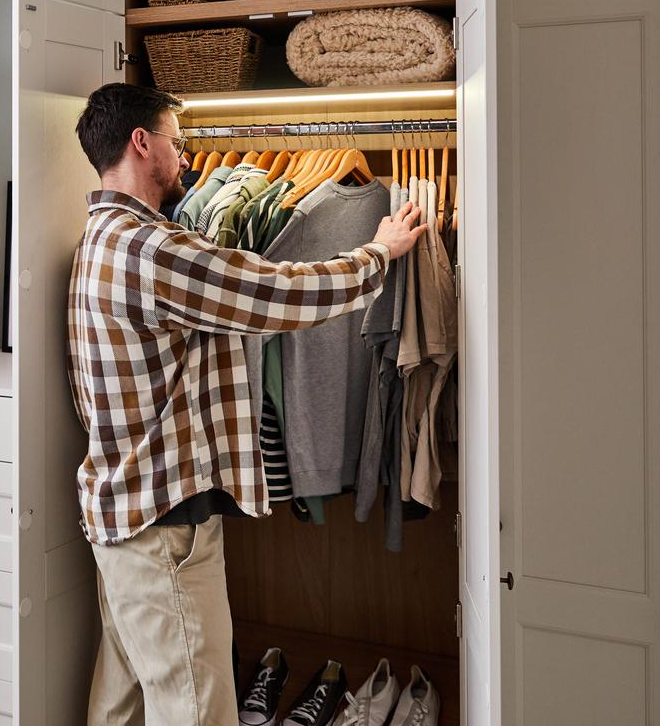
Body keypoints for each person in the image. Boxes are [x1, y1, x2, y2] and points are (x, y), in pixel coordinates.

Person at [66, 83, 425, 724]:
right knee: (198, 708)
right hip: (164, 525)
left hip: (123, 513)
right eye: (177, 143)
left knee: (120, 704)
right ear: (141, 144)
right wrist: (377, 256)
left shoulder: (99, 238)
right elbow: (274, 294)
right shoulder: (151, 249)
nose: (186, 158)